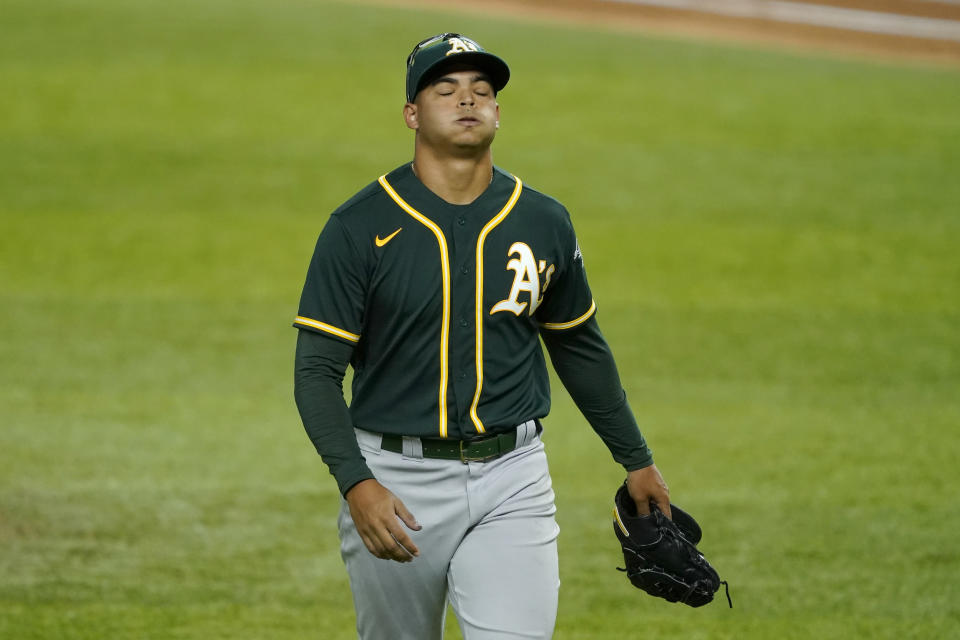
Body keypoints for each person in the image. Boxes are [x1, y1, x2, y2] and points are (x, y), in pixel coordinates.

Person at [293, 33, 671, 640]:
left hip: (513, 476)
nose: (467, 100)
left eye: (482, 91)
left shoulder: (543, 219)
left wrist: (636, 458)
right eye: (445, 90)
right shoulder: (359, 227)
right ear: (412, 114)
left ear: (497, 111)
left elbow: (577, 343)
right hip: (396, 482)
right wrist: (356, 482)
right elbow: (315, 371)